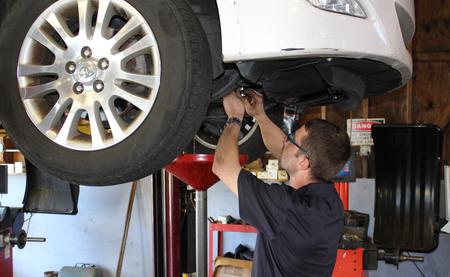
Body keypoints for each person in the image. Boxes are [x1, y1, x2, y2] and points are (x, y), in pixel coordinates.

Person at [212, 89, 351, 277]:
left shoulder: (288, 209)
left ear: (304, 162)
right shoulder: (330, 203)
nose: (286, 139)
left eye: (292, 139)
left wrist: (235, 118)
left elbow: (222, 166)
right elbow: (283, 148)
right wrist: (259, 115)